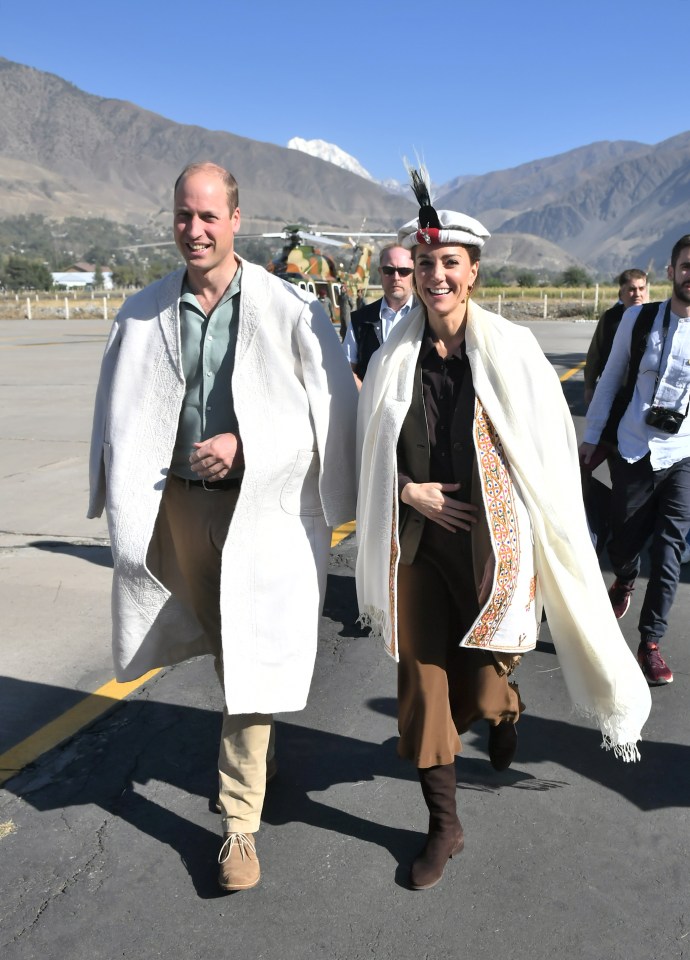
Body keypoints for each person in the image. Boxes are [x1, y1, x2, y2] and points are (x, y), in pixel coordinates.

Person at [356, 168, 650, 891]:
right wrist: (407, 491)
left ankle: (507, 708)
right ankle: (444, 826)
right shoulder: (393, 355)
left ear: (474, 271)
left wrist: (534, 549)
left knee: (483, 693)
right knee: (424, 690)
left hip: (494, 551)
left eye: (448, 263)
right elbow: (363, 460)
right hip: (419, 551)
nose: (434, 277)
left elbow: (547, 461)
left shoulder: (514, 351)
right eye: (424, 265)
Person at [88, 162, 357, 892]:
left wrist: (248, 448)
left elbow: (329, 414)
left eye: (209, 216)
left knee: (247, 654)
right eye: (183, 215)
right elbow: (114, 404)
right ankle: (258, 744)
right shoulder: (144, 311)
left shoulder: (291, 307)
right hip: (176, 508)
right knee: (224, 645)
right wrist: (102, 487)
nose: (195, 230)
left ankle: (239, 826)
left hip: (259, 507)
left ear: (238, 219)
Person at [580, 235, 690, 687]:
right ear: (671, 271)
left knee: (671, 550)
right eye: (686, 265)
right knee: (624, 544)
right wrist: (591, 438)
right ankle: (624, 576)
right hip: (633, 447)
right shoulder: (639, 318)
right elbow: (608, 381)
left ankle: (650, 643)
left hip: (683, 452)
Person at [343, 244, 415, 388]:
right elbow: (347, 369)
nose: (396, 278)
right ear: (380, 272)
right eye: (389, 270)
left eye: (404, 271)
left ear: (415, 273)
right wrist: (366, 398)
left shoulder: (428, 316)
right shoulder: (360, 319)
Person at [584, 269, 648, 407]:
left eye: (641, 288)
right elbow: (595, 354)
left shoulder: (656, 318)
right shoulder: (609, 319)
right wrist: (589, 386)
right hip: (613, 392)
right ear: (622, 291)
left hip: (643, 394)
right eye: (632, 289)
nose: (637, 294)